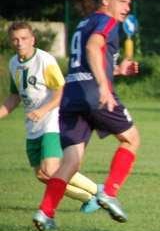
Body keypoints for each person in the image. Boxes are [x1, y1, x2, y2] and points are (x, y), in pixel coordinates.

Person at [32, 0, 140, 231]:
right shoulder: (107, 21)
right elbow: (93, 47)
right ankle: (109, 193)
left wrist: (117, 70)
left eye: (129, 3)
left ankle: (45, 213)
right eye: (122, 2)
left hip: (71, 94)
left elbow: (86, 61)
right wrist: (104, 86)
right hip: (94, 93)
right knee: (132, 139)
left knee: (71, 162)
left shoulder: (83, 23)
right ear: (106, 1)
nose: (127, 7)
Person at [0, 22, 101, 213]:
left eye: (23, 38)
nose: (19, 43)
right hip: (33, 126)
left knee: (52, 169)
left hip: (52, 121)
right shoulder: (14, 63)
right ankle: (89, 198)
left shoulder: (44, 60)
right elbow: (14, 97)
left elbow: (61, 90)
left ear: (32, 39)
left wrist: (43, 110)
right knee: (42, 174)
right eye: (15, 39)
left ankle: (99, 191)